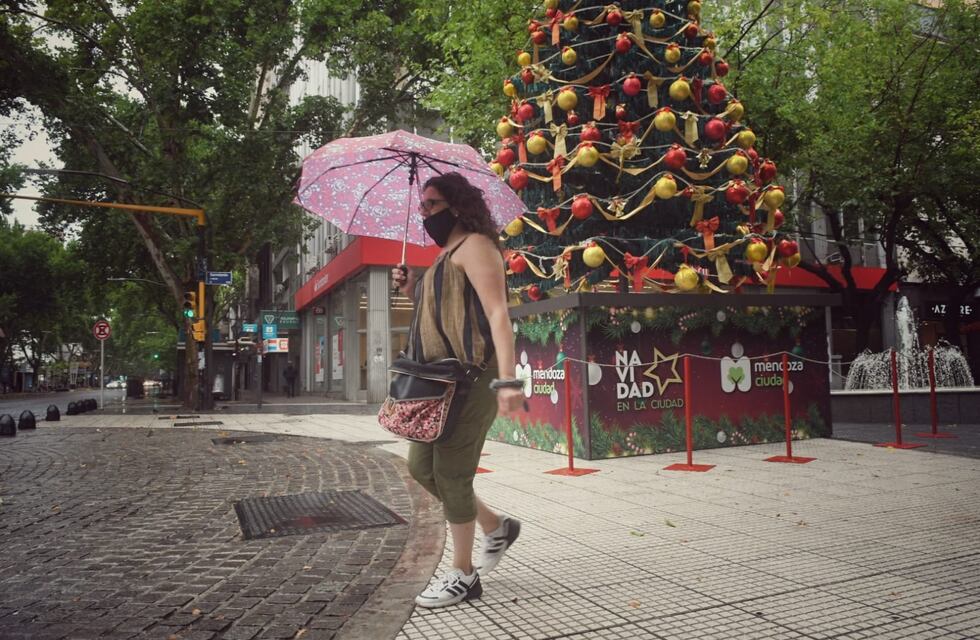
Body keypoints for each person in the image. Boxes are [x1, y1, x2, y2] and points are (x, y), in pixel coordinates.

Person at [392, 172, 525, 609]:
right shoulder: (443, 256)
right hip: (437, 379)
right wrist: (414, 287)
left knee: (451, 472)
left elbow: (498, 314)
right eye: (423, 206)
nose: (424, 213)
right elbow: (443, 316)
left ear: (456, 205)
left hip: (472, 378)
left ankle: (463, 574)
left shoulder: (478, 247)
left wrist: (508, 381)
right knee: (422, 468)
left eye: (431, 205)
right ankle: (496, 526)